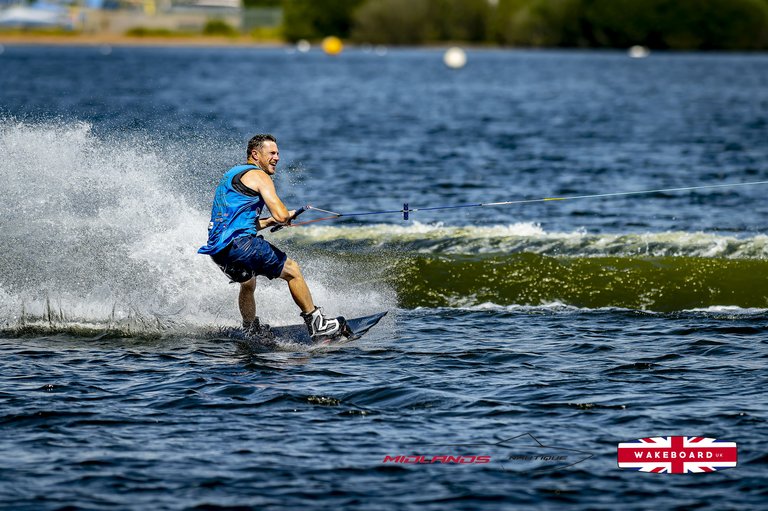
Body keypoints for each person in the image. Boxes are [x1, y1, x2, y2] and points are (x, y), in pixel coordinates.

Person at [199, 134, 346, 341]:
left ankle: (250, 329)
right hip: (242, 245)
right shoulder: (259, 176)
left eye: (278, 153)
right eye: (272, 153)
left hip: (219, 251)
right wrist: (284, 217)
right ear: (255, 155)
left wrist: (272, 222)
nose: (277, 157)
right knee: (292, 270)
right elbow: (280, 214)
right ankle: (317, 324)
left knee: (248, 283)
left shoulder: (231, 176)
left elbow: (243, 222)